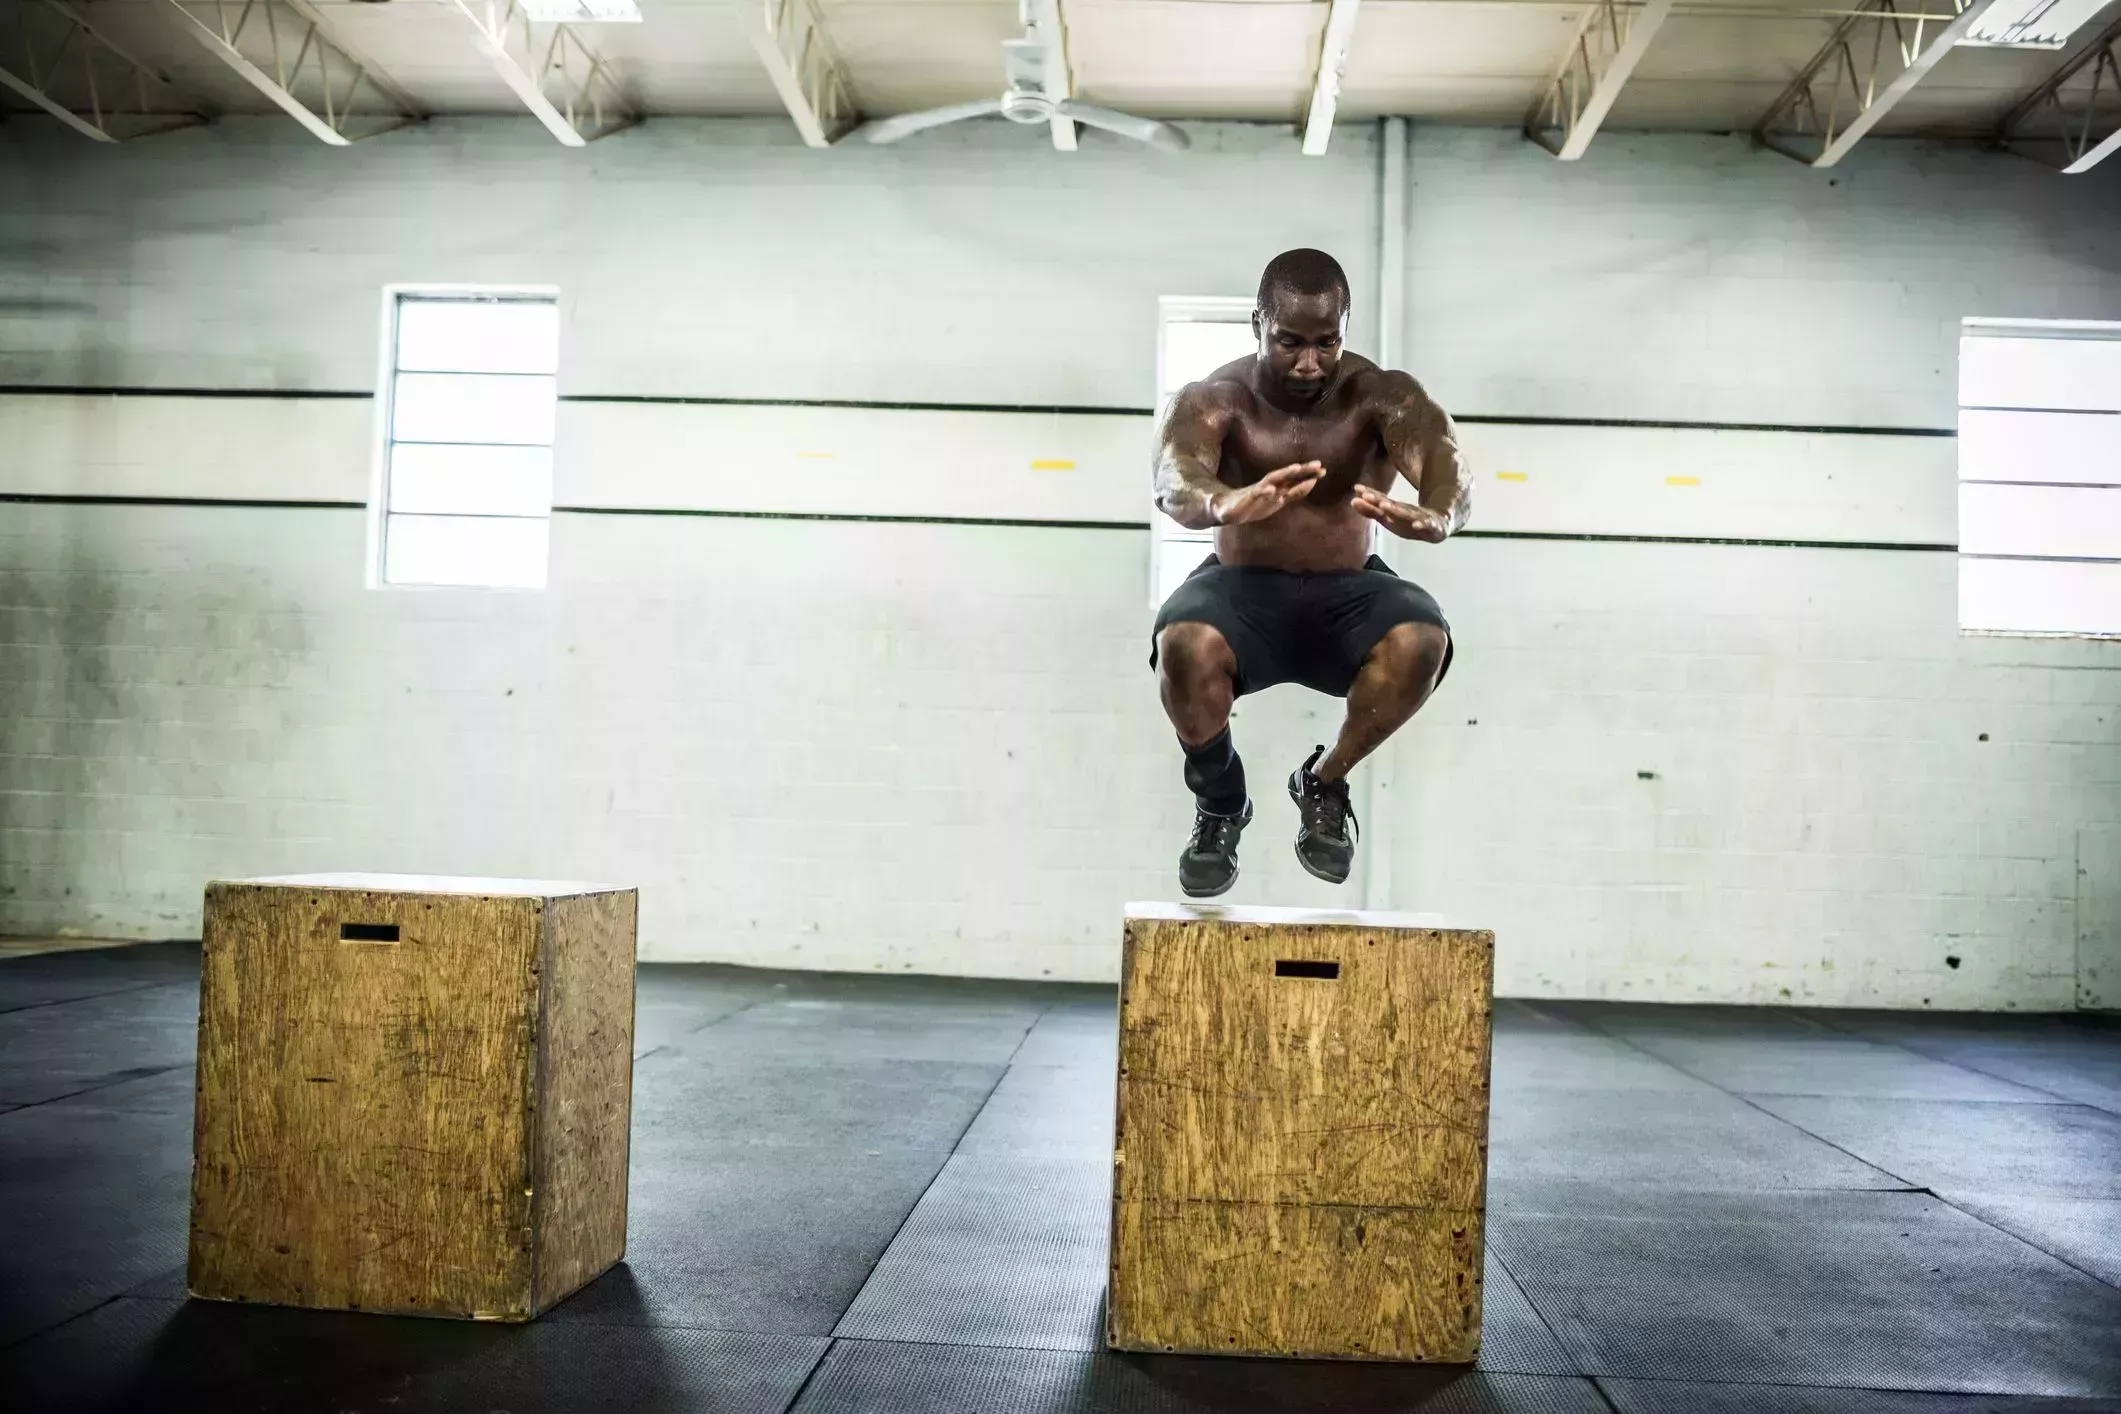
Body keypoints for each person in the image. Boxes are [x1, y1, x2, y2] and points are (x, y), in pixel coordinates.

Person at [1151, 248, 1471, 897]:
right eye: (1289, 342)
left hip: (1345, 594)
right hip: (1240, 591)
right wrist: (1222, 501)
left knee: (1422, 638)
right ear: (1257, 325)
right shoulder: (1216, 398)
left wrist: (1438, 514)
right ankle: (1219, 800)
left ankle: (1323, 783)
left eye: (1326, 343)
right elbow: (1174, 476)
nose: (1308, 363)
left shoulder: (1381, 394)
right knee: (1181, 642)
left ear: (1344, 330)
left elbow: (1445, 460)